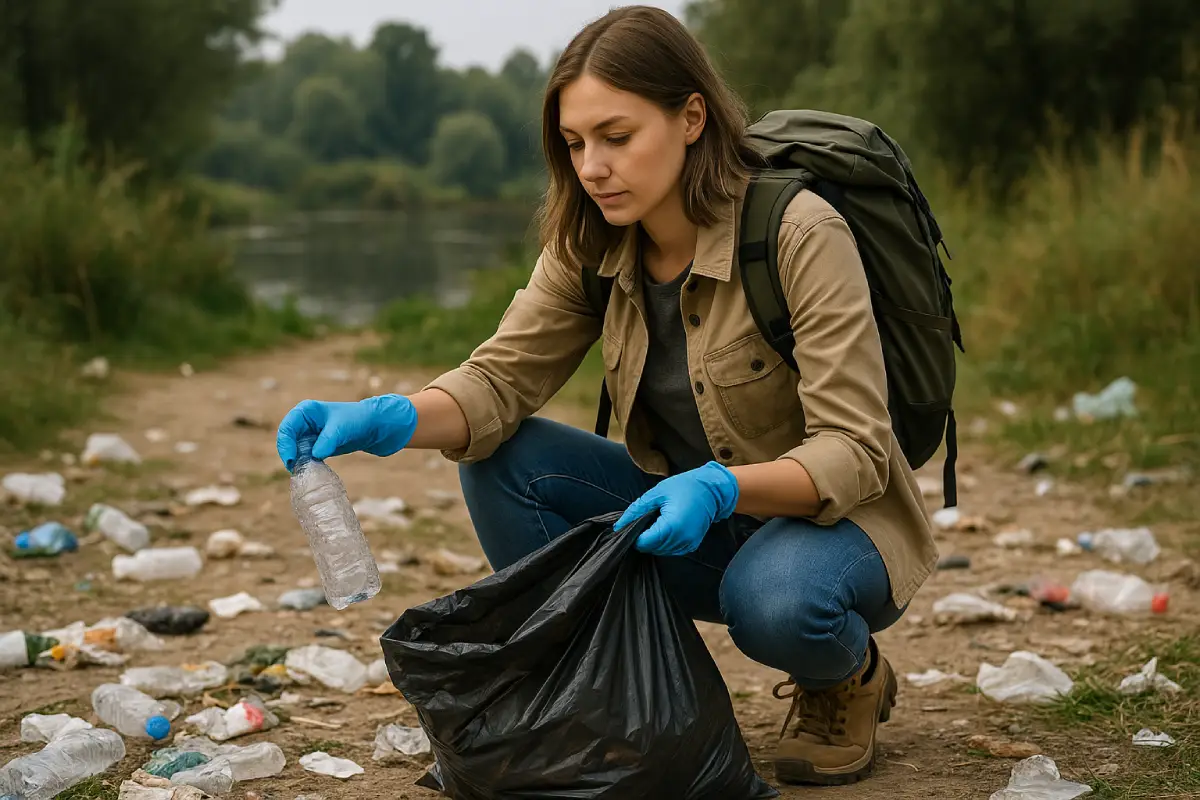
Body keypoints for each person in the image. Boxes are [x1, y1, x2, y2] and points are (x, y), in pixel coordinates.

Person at [275, 4, 938, 787]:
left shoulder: (798, 231)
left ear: (691, 117)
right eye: (575, 143)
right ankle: (620, 692)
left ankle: (847, 675)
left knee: (776, 601)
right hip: (689, 518)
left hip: (831, 528)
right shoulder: (589, 240)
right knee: (504, 458)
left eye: (616, 138)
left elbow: (855, 450)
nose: (591, 167)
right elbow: (496, 382)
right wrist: (385, 417)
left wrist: (724, 487)